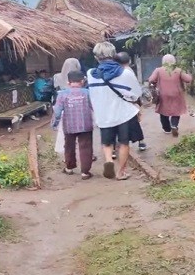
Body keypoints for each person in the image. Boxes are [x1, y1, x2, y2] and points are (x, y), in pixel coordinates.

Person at [86, 42, 142, 180]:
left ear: (96, 57)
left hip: (103, 115)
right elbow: (136, 94)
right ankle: (120, 173)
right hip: (124, 114)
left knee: (106, 143)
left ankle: (109, 161)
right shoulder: (126, 73)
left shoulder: (90, 74)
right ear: (114, 55)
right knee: (123, 143)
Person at [51, 70, 94, 179]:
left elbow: (57, 111)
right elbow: (94, 107)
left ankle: (69, 168)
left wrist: (55, 124)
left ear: (68, 83)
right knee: (86, 147)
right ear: (82, 81)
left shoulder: (62, 94)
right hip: (86, 125)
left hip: (69, 125)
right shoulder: (88, 93)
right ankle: (85, 172)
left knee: (69, 146)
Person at [148, 54, 193, 137]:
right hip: (176, 94)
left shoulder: (158, 70)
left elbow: (151, 80)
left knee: (163, 111)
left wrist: (155, 84)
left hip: (162, 95)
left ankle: (167, 129)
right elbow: (188, 79)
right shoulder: (178, 70)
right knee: (176, 111)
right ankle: (174, 125)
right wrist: (189, 75)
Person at [115, 52, 147, 152]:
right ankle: (141, 142)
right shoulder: (129, 72)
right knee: (134, 123)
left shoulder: (116, 72)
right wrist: (138, 102)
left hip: (120, 102)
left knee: (120, 123)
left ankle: (121, 144)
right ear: (129, 61)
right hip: (131, 101)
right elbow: (135, 88)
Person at [52, 58, 82, 154]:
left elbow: (55, 91)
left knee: (66, 133)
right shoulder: (80, 77)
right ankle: (85, 153)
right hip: (79, 106)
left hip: (65, 108)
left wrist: (55, 120)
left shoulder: (57, 77)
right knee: (82, 132)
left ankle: (68, 156)